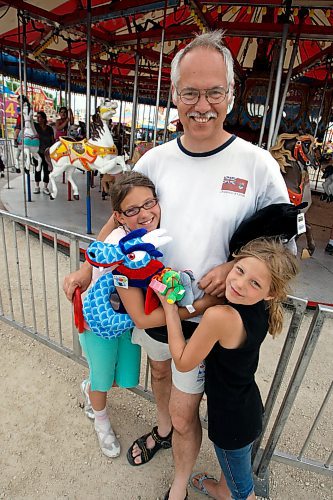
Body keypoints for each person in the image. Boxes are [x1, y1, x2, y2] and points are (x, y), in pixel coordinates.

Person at [63, 30, 291, 500]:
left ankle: (180, 483)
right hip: (153, 304)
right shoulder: (156, 158)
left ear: (231, 94)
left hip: (208, 318)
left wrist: (233, 268)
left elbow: (281, 243)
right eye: (190, 92)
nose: (201, 104)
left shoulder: (257, 164)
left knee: (193, 410)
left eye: (213, 92)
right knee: (160, 373)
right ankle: (163, 430)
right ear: (174, 95)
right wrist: (89, 265)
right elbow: (120, 211)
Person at [80, 171, 217, 459]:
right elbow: (142, 320)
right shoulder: (126, 253)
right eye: (132, 209)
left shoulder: (147, 236)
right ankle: (100, 416)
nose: (144, 213)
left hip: (125, 320)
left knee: (122, 377)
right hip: (102, 322)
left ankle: (94, 386)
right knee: (103, 379)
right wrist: (196, 308)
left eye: (149, 203)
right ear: (119, 215)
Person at [159, 238, 298, 500]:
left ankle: (231, 493)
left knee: (243, 489)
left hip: (230, 421)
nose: (238, 283)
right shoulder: (260, 307)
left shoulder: (220, 317)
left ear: (270, 293)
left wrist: (168, 308)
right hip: (247, 406)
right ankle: (222, 490)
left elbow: (182, 360)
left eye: (254, 283)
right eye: (239, 270)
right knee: (234, 468)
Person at [33, 111, 55, 195]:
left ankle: (45, 187)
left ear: (44, 118)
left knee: (46, 170)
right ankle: (37, 186)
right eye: (37, 117)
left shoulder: (49, 129)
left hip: (46, 152)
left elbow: (52, 140)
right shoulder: (35, 127)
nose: (38, 119)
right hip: (37, 151)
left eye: (39, 117)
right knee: (37, 169)